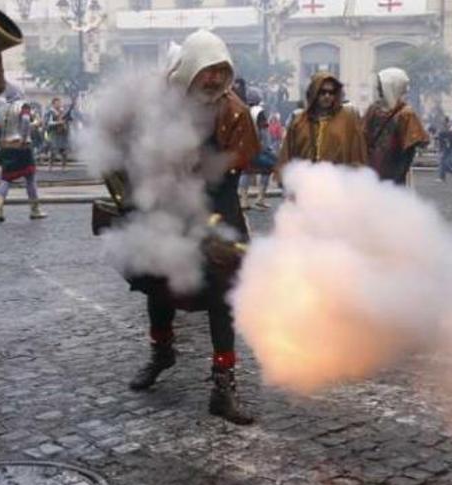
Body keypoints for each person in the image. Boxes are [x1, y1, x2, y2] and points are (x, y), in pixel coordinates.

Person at [127, 29, 260, 425]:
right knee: (159, 285)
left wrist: (211, 222)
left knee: (222, 299)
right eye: (208, 70)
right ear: (190, 70)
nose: (215, 79)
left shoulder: (234, 112)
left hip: (217, 212)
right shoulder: (164, 105)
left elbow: (232, 174)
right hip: (168, 210)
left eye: (222, 70)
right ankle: (161, 353)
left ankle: (223, 387)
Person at [277, 72, 367, 170]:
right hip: (304, 180)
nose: (327, 96)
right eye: (322, 92)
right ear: (314, 93)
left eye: (331, 92)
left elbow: (357, 154)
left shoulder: (348, 120)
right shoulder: (299, 121)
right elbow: (287, 155)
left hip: (338, 180)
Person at [362, 67, 429, 185]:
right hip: (371, 169)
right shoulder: (373, 110)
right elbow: (362, 137)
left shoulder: (406, 114)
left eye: (381, 85)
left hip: (394, 171)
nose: (378, 89)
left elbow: (409, 151)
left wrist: (399, 175)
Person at [0, 87, 48, 222]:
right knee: (30, 178)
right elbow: (24, 121)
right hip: (21, 146)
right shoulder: (23, 105)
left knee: (5, 179)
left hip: (5, 147)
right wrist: (29, 131)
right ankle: (35, 210)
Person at [238, 87, 275, 210]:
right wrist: (268, 147)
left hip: (244, 147)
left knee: (246, 171)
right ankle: (260, 198)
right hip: (258, 146)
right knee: (269, 167)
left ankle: (244, 200)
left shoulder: (242, 109)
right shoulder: (259, 111)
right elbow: (264, 131)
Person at [44, 97, 69, 171]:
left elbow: (67, 120)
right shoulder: (50, 112)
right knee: (53, 151)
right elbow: (48, 122)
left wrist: (65, 122)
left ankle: (63, 167)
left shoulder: (62, 112)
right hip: (54, 133)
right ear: (53, 104)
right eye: (57, 103)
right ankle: (50, 167)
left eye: (59, 102)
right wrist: (58, 122)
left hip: (62, 133)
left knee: (64, 151)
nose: (59, 104)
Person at [436, 117, 452, 182]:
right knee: (443, 161)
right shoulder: (444, 127)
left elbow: (447, 137)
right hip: (444, 146)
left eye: (443, 120)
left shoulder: (449, 128)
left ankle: (442, 177)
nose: (442, 122)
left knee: (442, 161)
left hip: (446, 146)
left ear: (446, 121)